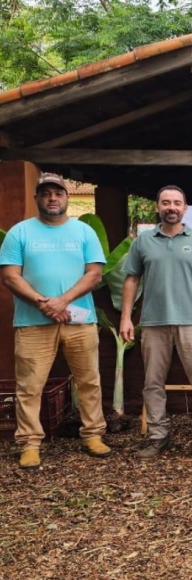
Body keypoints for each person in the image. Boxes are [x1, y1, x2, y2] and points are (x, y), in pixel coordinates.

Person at [0, 173, 111, 469]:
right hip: (32, 322)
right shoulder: (19, 233)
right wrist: (43, 303)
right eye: (46, 193)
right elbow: (10, 277)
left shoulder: (83, 232)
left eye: (58, 193)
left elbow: (95, 274)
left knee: (89, 381)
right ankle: (30, 443)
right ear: (37, 198)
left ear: (66, 198)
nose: (52, 198)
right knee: (30, 386)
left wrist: (62, 300)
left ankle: (92, 435)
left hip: (79, 321)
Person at [119, 185, 192, 467]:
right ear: (157, 207)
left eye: (177, 202)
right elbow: (131, 279)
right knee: (152, 383)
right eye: (166, 202)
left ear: (185, 208)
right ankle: (158, 435)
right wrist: (126, 317)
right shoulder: (143, 241)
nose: (171, 207)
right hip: (153, 322)